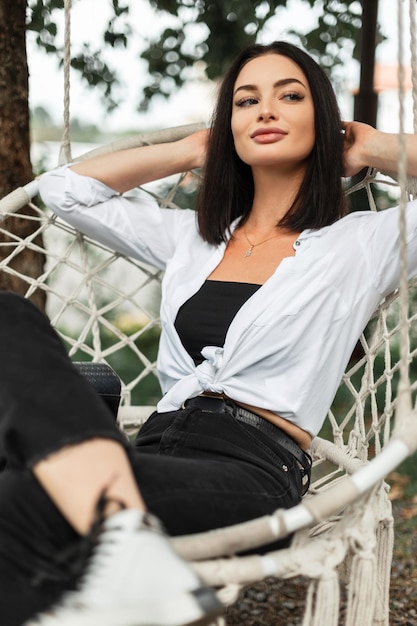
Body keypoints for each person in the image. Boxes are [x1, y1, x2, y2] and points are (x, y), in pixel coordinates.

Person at [1, 40, 417, 626]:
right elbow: (64, 191)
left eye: (290, 96)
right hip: (143, 455)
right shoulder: (192, 239)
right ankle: (126, 543)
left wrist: (369, 145)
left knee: (24, 499)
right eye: (246, 102)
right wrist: (192, 148)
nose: (265, 111)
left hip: (247, 470)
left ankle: (116, 542)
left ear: (323, 120)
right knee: (9, 316)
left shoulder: (364, 244)